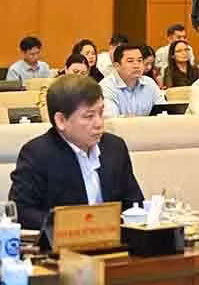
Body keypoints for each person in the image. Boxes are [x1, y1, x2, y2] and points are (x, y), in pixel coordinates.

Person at [9, 75, 143, 229]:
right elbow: (22, 211)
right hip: (63, 248)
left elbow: (134, 203)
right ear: (61, 121)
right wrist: (75, 226)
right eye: (89, 116)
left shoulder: (114, 147)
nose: (99, 123)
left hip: (115, 245)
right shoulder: (37, 153)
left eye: (100, 113)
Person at [99, 44, 166, 117]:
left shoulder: (149, 83)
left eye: (139, 60)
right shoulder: (106, 86)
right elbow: (111, 119)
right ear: (117, 66)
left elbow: (164, 111)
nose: (136, 65)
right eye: (130, 61)